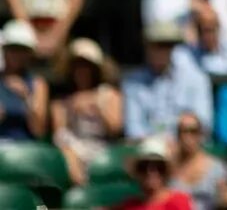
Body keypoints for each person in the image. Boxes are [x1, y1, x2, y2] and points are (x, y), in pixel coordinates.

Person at [122, 22, 213, 140]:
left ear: (173, 48)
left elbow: (204, 125)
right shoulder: (133, 83)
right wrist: (157, 144)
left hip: (186, 149)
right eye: (156, 45)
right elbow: (133, 129)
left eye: (167, 45)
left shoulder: (196, 79)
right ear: (146, 46)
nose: (161, 51)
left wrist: (178, 144)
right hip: (148, 151)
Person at [51, 38, 122, 185]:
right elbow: (59, 135)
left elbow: (115, 129)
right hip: (74, 152)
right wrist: (71, 109)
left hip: (103, 149)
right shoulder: (60, 102)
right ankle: (83, 193)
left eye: (86, 66)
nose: (81, 71)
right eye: (77, 66)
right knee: (66, 153)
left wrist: (98, 109)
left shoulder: (110, 95)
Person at [0, 20, 49, 141]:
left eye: (23, 50)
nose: (17, 55)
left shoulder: (37, 83)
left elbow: (39, 131)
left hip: (25, 150)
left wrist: (27, 98)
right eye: (13, 49)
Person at [169, 111, 227, 210]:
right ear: (177, 135)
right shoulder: (168, 168)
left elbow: (223, 201)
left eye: (193, 131)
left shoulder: (217, 167)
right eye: (183, 131)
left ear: (200, 134)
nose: (187, 137)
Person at [116, 136, 193, 209]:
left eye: (159, 166)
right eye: (144, 166)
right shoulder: (130, 205)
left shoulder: (179, 202)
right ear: (137, 171)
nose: (151, 172)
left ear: (166, 171)